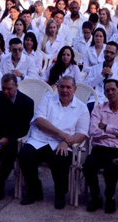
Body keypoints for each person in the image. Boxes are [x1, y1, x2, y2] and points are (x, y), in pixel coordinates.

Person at [18, 76, 90, 209]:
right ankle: (35, 189)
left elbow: (82, 134)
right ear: (57, 87)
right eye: (62, 87)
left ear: (75, 89)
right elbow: (39, 121)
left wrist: (67, 142)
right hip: (40, 139)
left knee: (61, 159)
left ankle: (60, 194)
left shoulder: (81, 108)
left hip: (62, 144)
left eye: (68, 87)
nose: (64, 90)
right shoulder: (48, 99)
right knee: (24, 155)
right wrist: (62, 135)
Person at [82, 79, 118, 214]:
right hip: (100, 149)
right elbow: (93, 132)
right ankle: (96, 197)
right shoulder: (99, 109)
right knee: (88, 167)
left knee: (111, 170)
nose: (110, 92)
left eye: (113, 89)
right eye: (107, 90)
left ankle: (109, 197)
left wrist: (106, 128)